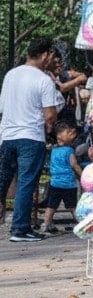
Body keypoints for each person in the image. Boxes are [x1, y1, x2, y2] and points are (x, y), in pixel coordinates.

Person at [0, 38, 61, 242]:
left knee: (3, 181)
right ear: (45, 55)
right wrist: (49, 125)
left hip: (7, 136)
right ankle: (20, 229)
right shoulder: (43, 80)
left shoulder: (11, 75)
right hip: (31, 137)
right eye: (51, 56)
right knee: (26, 183)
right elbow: (50, 115)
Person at [40, 122, 81, 234]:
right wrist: (82, 175)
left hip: (55, 183)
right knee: (72, 206)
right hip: (68, 184)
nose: (72, 133)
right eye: (68, 132)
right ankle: (81, 223)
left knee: (51, 206)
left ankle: (46, 224)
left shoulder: (54, 150)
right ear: (59, 137)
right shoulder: (69, 151)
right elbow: (74, 165)